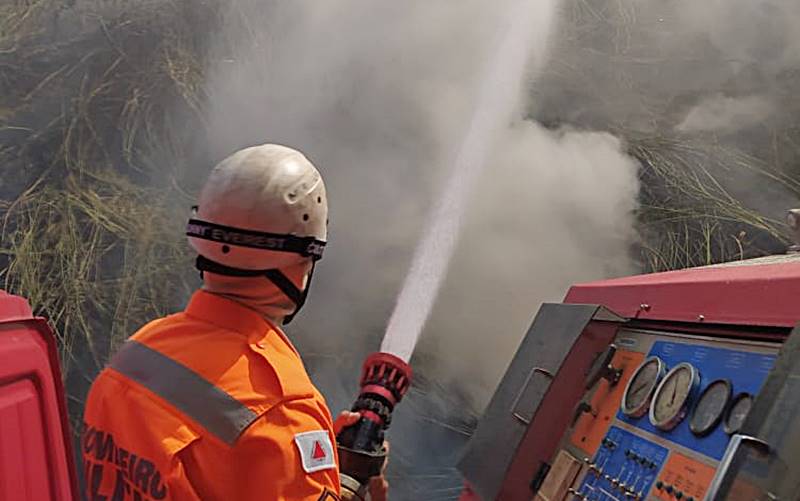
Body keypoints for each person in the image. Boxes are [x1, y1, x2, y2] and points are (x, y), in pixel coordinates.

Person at [82, 144, 388, 500]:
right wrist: (351, 482)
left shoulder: (140, 351)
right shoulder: (284, 409)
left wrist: (312, 455)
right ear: (304, 262)